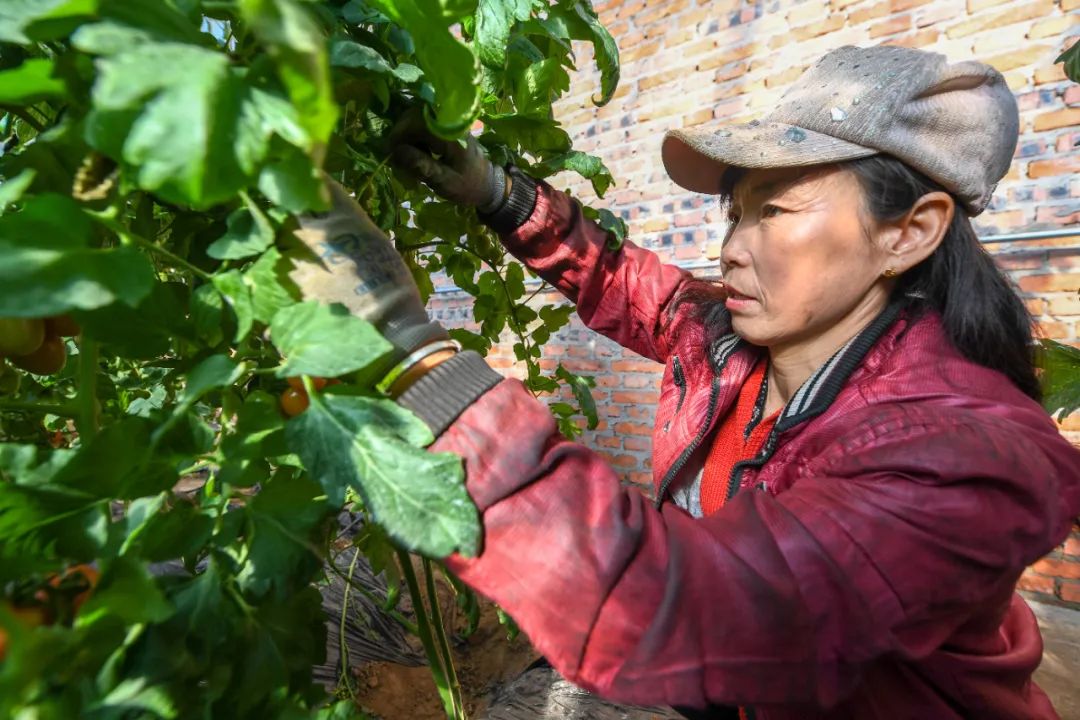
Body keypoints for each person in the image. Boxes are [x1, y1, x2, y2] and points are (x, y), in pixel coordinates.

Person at [294, 45, 1080, 719]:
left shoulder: (968, 455)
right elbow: (635, 286)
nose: (734, 248)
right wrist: (501, 197)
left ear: (908, 231)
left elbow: (687, 604)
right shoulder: (737, 340)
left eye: (774, 211)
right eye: (735, 214)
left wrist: (407, 350)